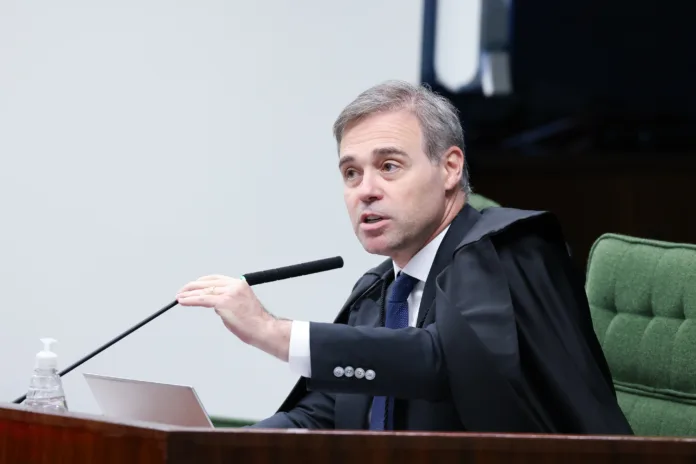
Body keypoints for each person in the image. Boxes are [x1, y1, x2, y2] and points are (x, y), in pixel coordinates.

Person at [176, 80, 633, 434]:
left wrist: (272, 332)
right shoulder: (379, 291)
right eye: (351, 173)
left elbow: (448, 361)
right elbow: (326, 412)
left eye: (389, 166)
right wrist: (217, 447)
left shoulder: (510, 248)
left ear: (450, 167)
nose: (366, 190)